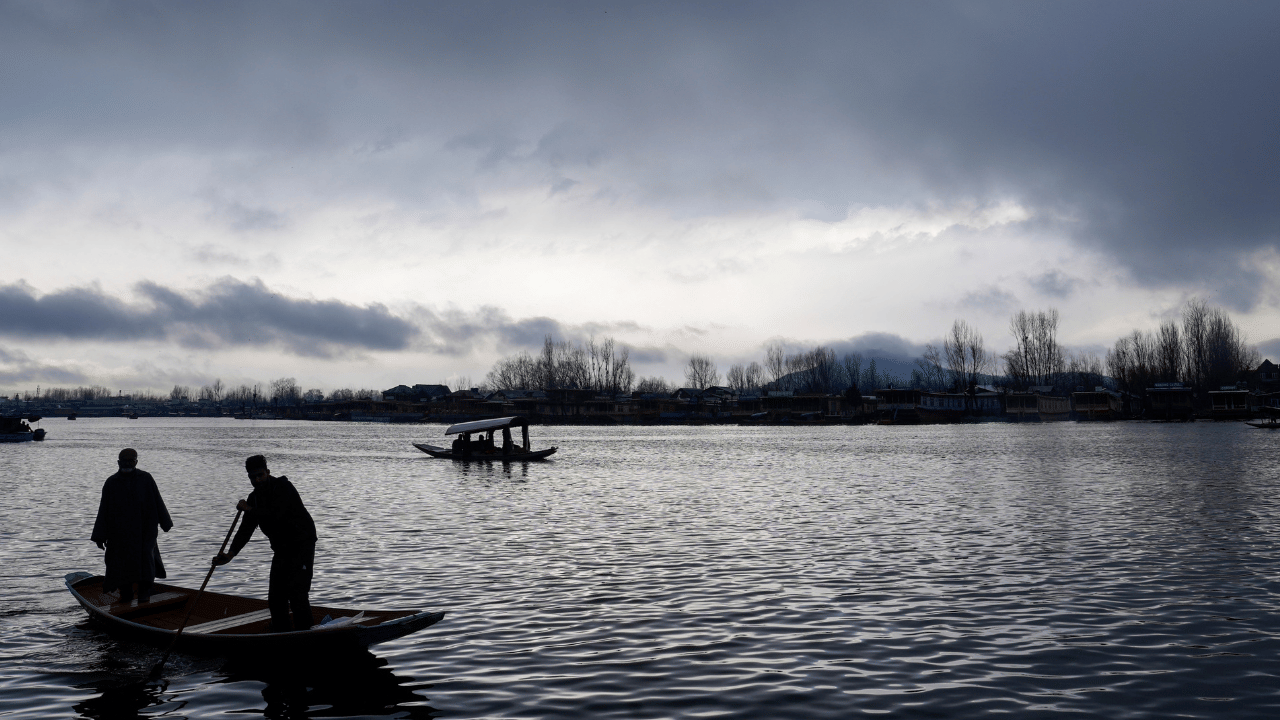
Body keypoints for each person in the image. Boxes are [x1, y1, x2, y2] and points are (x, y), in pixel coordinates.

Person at [213, 455, 318, 631]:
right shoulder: (254, 498)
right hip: (281, 550)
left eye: (260, 475)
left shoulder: (283, 487)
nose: (257, 480)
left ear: (268, 472)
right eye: (252, 477)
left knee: (297, 593)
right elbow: (246, 529)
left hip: (302, 544)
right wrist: (230, 555)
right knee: (276, 597)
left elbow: (277, 514)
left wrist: (249, 509)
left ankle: (306, 632)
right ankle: (280, 631)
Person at [91, 448, 173, 604]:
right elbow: (104, 510)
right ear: (118, 462)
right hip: (119, 534)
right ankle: (126, 595)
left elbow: (157, 501)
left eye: (131, 461)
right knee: (119, 564)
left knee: (145, 563)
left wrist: (165, 523)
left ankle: (144, 595)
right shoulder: (111, 482)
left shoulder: (146, 479)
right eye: (124, 461)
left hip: (145, 533)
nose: (127, 464)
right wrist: (99, 536)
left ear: (136, 462)